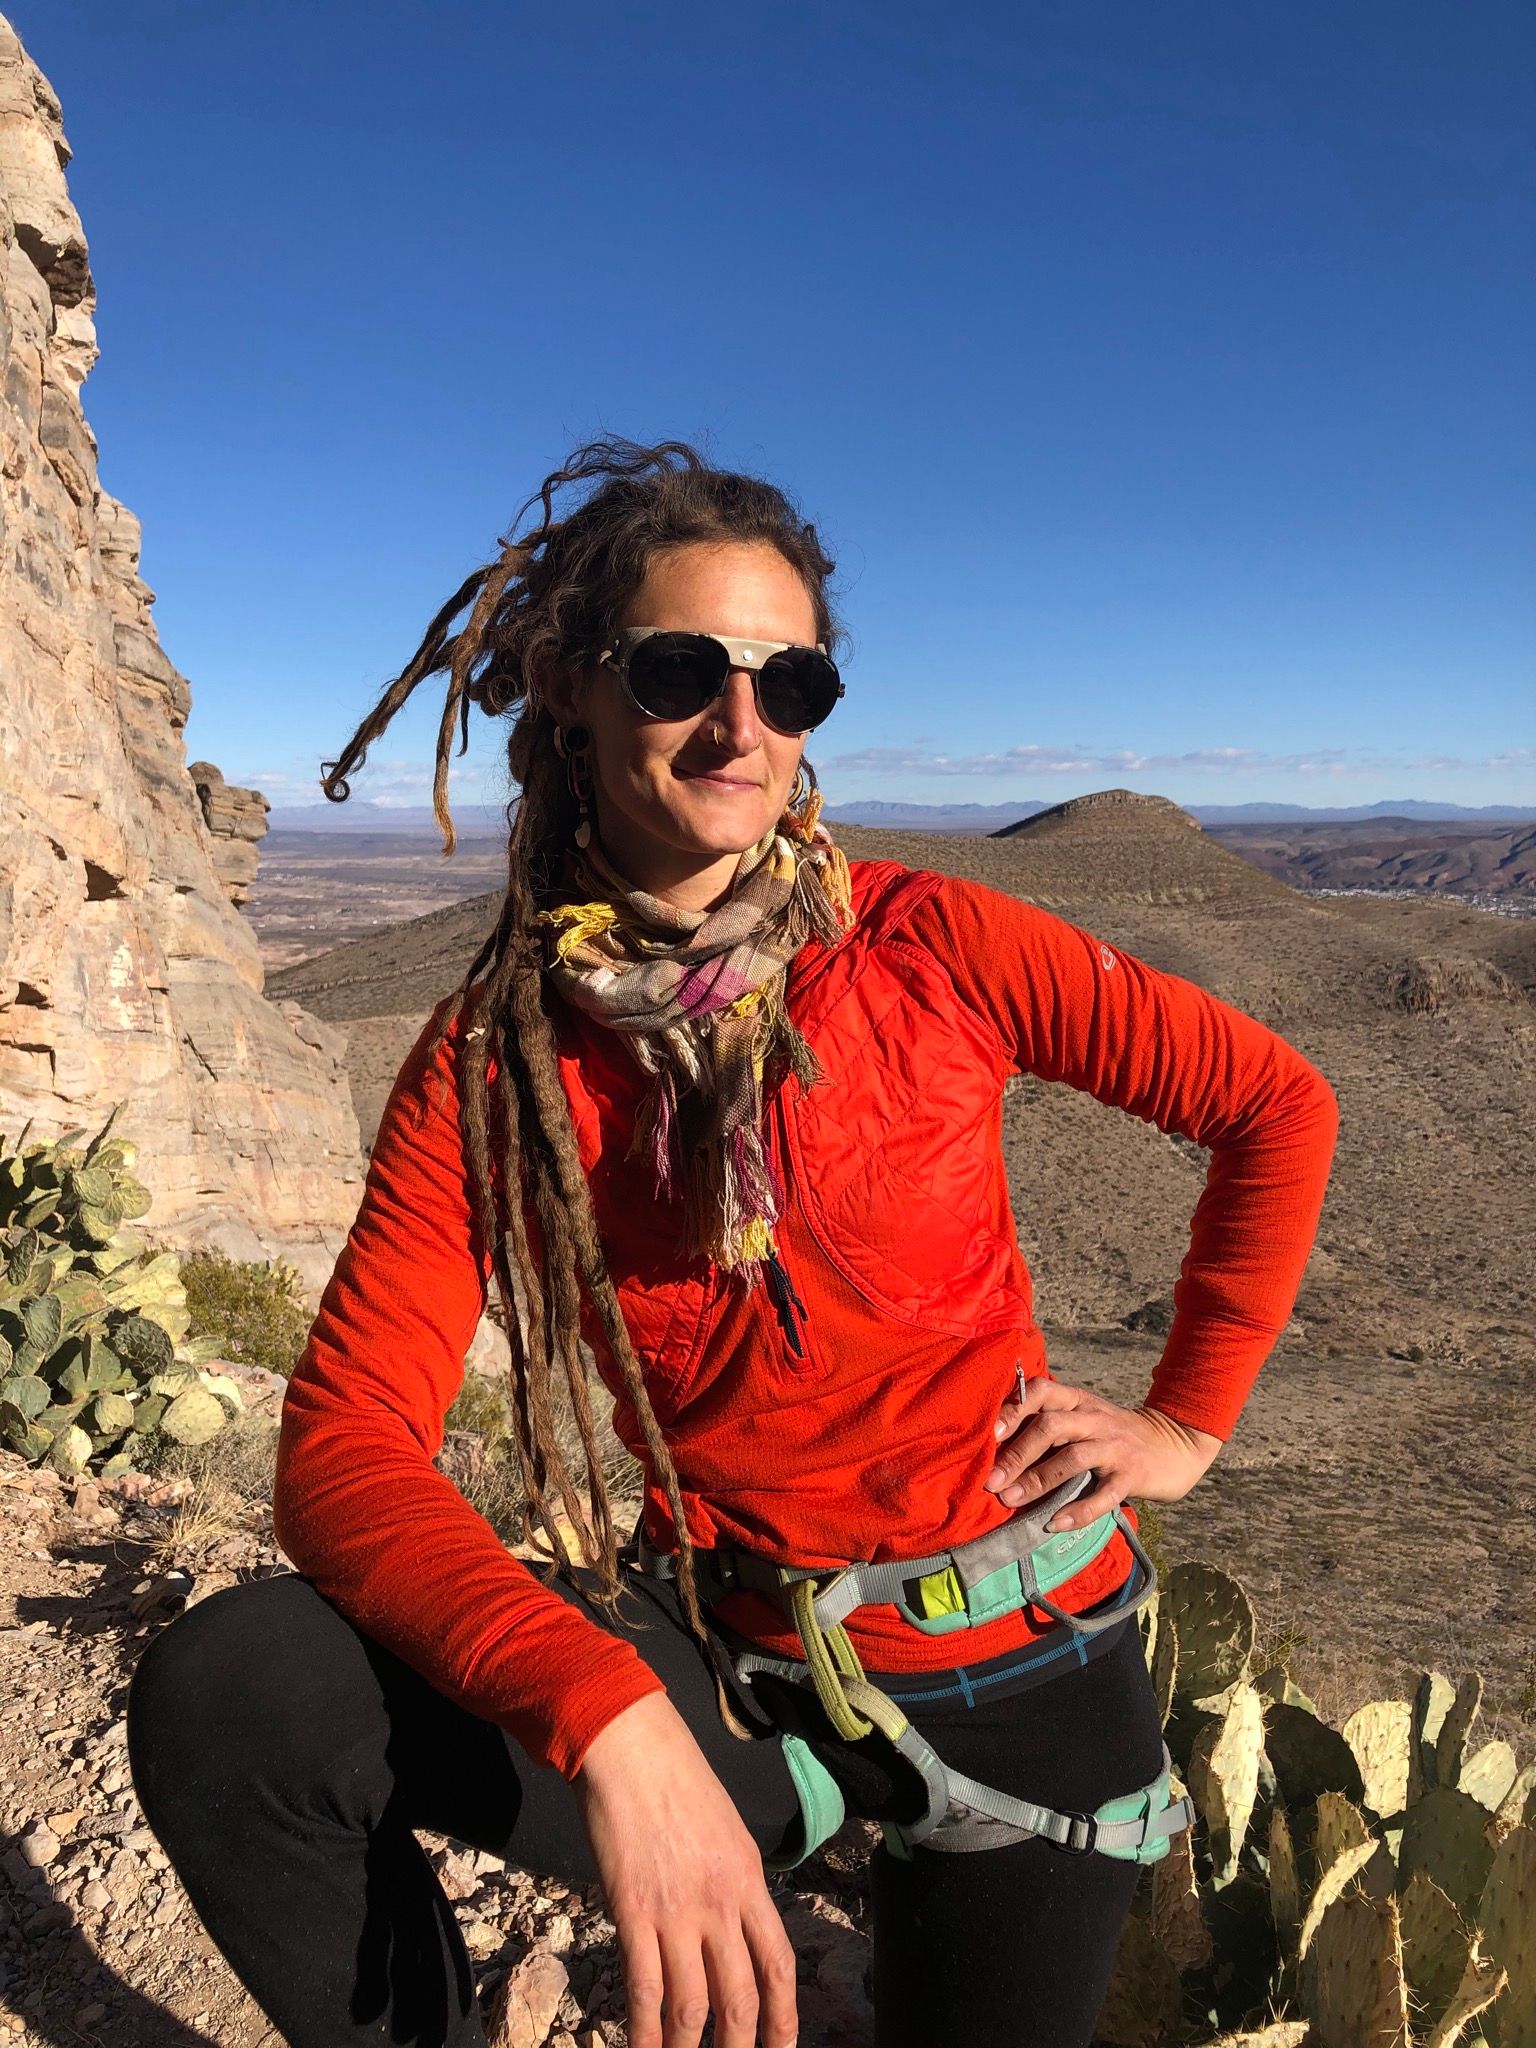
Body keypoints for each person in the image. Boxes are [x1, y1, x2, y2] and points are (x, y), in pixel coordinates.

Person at [126, 436, 1339, 2048]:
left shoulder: (931, 944)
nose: (743, 723)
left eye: (795, 684)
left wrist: (1187, 1418)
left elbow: (1274, 1103)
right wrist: (615, 1722)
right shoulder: (499, 1063)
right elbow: (347, 1446)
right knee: (238, 1700)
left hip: (1022, 1671)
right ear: (572, 686)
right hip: (737, 1664)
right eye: (687, 668)